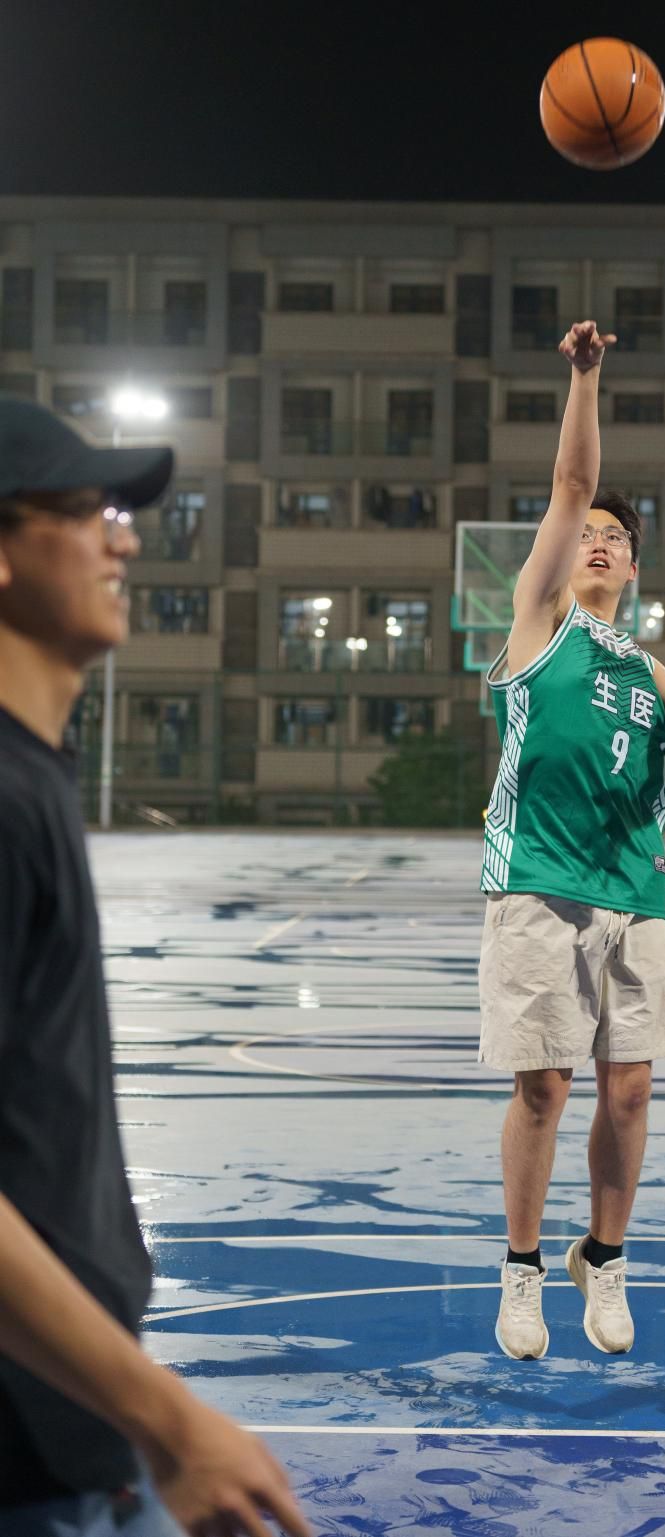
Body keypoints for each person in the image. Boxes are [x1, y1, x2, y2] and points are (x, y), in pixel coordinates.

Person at [0, 398, 308, 1536]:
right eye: (87, 513)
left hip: (69, 1431)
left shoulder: (33, 776)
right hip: (31, 1463)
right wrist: (172, 1422)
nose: (124, 542)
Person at [477, 322, 665, 1360]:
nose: (600, 540)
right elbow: (572, 483)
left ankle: (602, 1259)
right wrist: (586, 377)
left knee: (632, 1086)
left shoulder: (643, 667)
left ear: (635, 568)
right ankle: (521, 1270)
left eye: (618, 537)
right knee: (544, 1086)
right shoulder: (540, 619)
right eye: (590, 532)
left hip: (633, 891)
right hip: (538, 881)